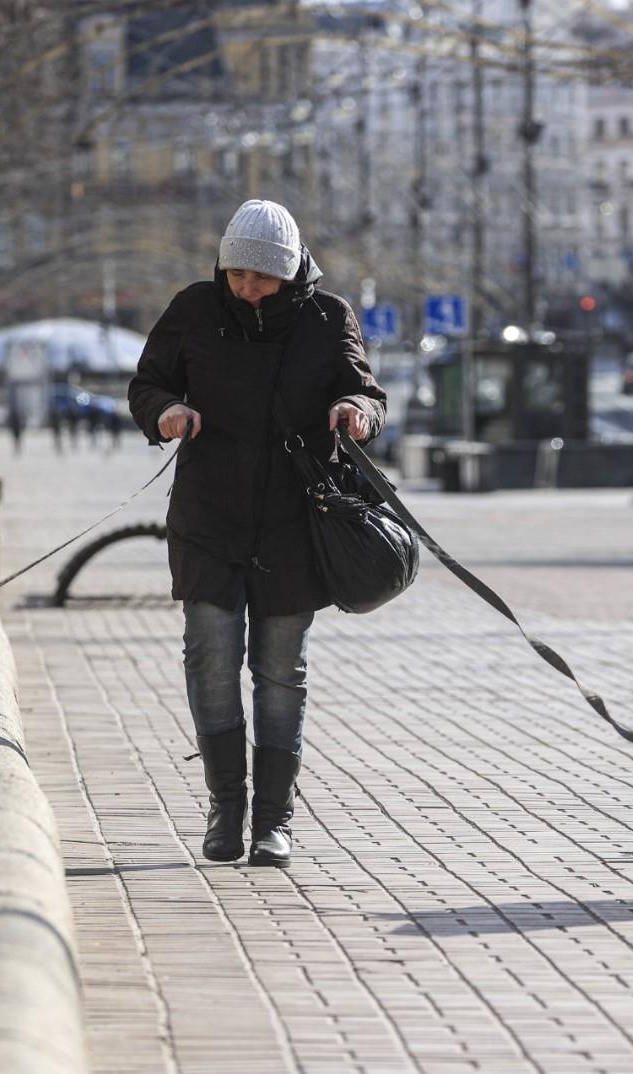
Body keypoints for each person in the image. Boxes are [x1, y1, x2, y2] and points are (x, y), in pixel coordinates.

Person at [128, 199, 387, 868]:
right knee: (210, 657)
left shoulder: (328, 319)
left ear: (290, 269)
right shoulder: (194, 309)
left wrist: (355, 411)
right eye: (236, 274)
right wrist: (168, 413)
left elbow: (369, 393)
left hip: (294, 524)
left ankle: (274, 820)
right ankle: (226, 807)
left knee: (279, 672)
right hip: (208, 517)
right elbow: (147, 384)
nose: (246, 289)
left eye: (260, 278)